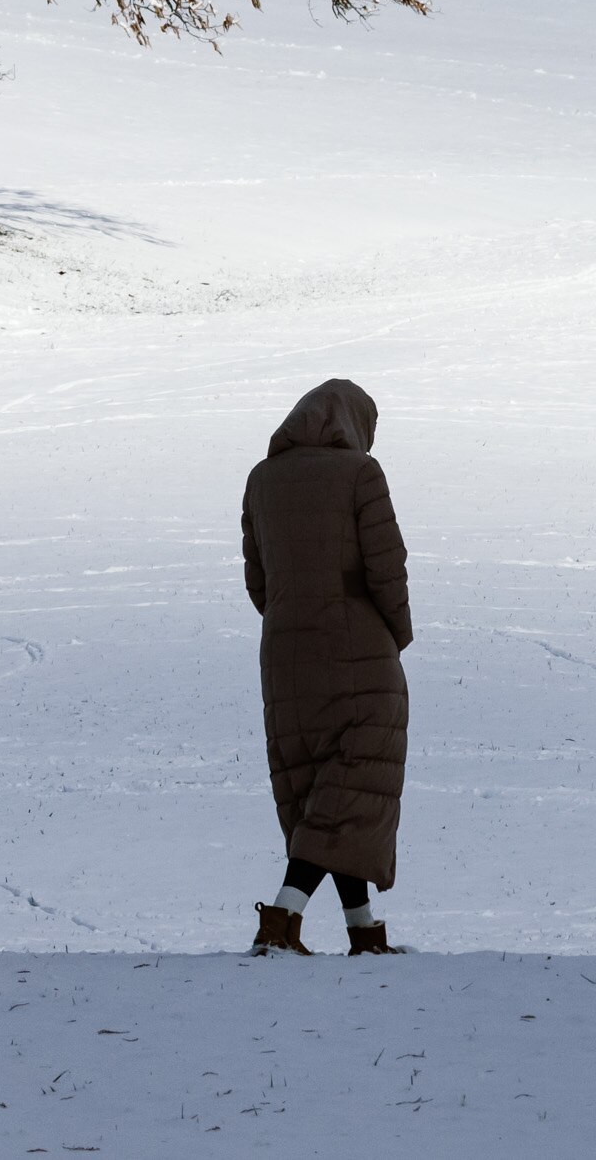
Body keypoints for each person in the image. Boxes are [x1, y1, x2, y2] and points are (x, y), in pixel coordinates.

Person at [241, 376, 411, 956]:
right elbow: (386, 567)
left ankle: (364, 932)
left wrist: (295, 618)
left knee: (327, 792)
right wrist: (397, 633)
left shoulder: (261, 481)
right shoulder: (362, 474)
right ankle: (282, 920)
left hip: (285, 656)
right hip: (358, 652)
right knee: (353, 785)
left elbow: (258, 581)